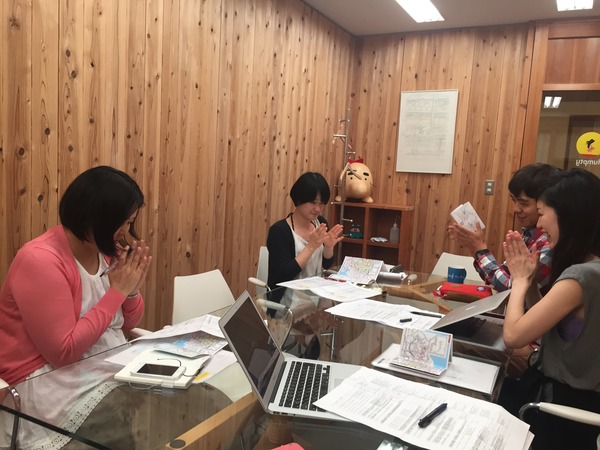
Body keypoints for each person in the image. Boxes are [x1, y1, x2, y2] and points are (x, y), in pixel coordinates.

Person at [0, 166, 152, 448]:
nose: (125, 232)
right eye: (121, 222)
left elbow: (127, 323)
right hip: (45, 380)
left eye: (130, 222)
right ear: (94, 219)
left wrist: (131, 290)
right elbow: (63, 352)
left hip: (99, 367)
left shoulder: (105, 252)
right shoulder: (40, 261)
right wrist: (117, 292)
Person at [499, 168, 600, 450]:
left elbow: (513, 336)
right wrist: (531, 284)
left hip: (562, 409)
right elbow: (547, 325)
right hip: (567, 396)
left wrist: (519, 282)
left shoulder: (581, 277)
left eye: (543, 213)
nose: (540, 224)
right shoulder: (589, 268)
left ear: (568, 215)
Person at [448, 163, 561, 295]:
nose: (515, 209)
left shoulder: (549, 243)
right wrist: (475, 248)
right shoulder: (529, 234)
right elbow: (502, 277)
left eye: (524, 203)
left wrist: (480, 249)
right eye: (513, 200)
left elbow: (512, 292)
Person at [267, 172, 343, 308]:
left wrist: (328, 247)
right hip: (286, 307)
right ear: (299, 200)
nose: (318, 209)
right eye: (313, 203)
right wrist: (311, 246)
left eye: (322, 203)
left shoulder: (320, 223)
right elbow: (284, 274)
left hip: (316, 300)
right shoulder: (279, 231)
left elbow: (326, 264)